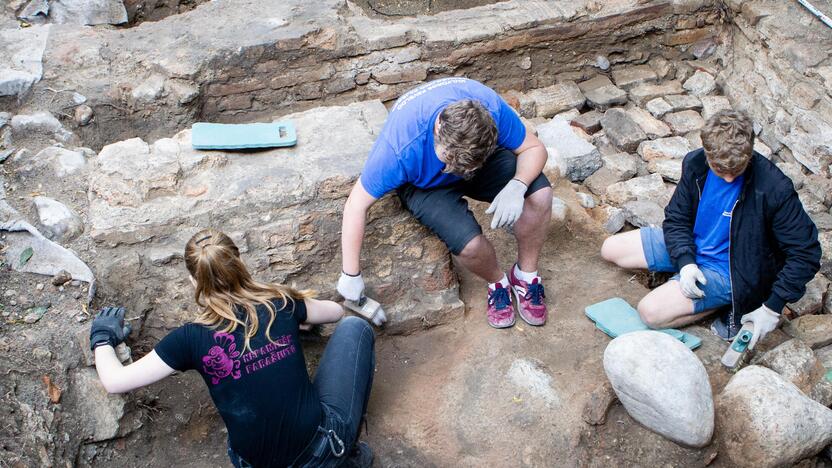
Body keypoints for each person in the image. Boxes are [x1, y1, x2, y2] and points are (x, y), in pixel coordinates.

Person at [89, 229, 376, 467]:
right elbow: (335, 313)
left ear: (194, 280)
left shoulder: (190, 338)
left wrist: (102, 338)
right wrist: (297, 316)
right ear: (240, 263)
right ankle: (345, 456)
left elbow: (114, 381)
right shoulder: (279, 304)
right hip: (318, 454)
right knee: (355, 328)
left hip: (252, 463)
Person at [337, 77, 554, 329]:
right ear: (439, 127)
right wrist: (350, 275)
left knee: (539, 195)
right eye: (449, 160)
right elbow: (356, 205)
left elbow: (534, 148)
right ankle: (498, 282)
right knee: (470, 245)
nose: (455, 169)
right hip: (424, 183)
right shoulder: (399, 148)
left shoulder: (489, 108)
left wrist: (518, 184)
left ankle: (525, 276)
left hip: (481, 163)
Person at [601, 110, 821, 347]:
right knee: (611, 249)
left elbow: (806, 252)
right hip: (695, 245)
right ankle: (685, 279)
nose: (728, 178)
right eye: (721, 171)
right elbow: (677, 218)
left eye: (735, 171)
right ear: (707, 154)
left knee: (650, 313)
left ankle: (725, 302)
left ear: (749, 153)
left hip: (733, 270)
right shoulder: (696, 164)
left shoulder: (774, 188)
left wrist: (772, 307)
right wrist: (686, 263)